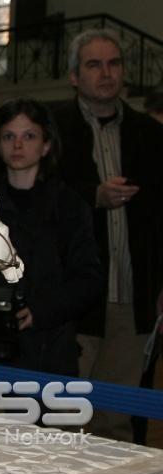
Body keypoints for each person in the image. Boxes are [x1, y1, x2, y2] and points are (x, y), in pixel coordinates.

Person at [54, 28, 163, 443]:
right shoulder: (52, 131)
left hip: (131, 299)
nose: (106, 73)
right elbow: (43, 205)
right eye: (94, 64)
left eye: (114, 64)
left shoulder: (149, 135)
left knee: (114, 423)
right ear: (74, 76)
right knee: (62, 419)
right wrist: (93, 197)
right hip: (74, 302)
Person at [0, 98, 103, 376]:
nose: (18, 145)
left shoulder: (69, 205)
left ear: (46, 145)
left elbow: (88, 278)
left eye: (29, 136)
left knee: (51, 420)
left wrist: (40, 311)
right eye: (9, 136)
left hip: (50, 347)